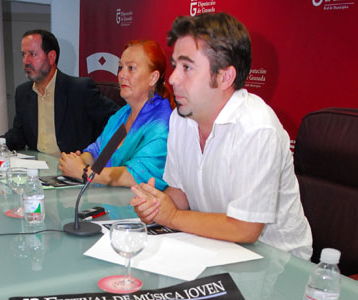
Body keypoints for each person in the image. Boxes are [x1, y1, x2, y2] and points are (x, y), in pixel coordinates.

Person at [131, 13, 312, 259]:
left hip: (277, 264)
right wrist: (157, 205)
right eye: (175, 66)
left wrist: (172, 216)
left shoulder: (256, 128)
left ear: (225, 77)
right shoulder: (181, 119)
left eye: (187, 68)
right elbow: (181, 193)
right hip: (218, 247)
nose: (173, 78)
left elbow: (245, 228)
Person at [0, 29, 118, 157]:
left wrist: (95, 156)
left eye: (32, 54)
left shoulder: (79, 89)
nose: (26, 61)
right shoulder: (23, 92)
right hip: (37, 169)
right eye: (23, 54)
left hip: (72, 172)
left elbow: (119, 121)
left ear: (51, 57)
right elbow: (19, 133)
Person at [58, 40, 174, 190]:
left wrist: (82, 171)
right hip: (113, 204)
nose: (122, 75)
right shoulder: (123, 114)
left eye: (131, 68)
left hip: (142, 209)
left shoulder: (162, 123)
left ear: (153, 78)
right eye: (121, 67)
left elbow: (134, 176)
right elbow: (101, 154)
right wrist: (77, 161)